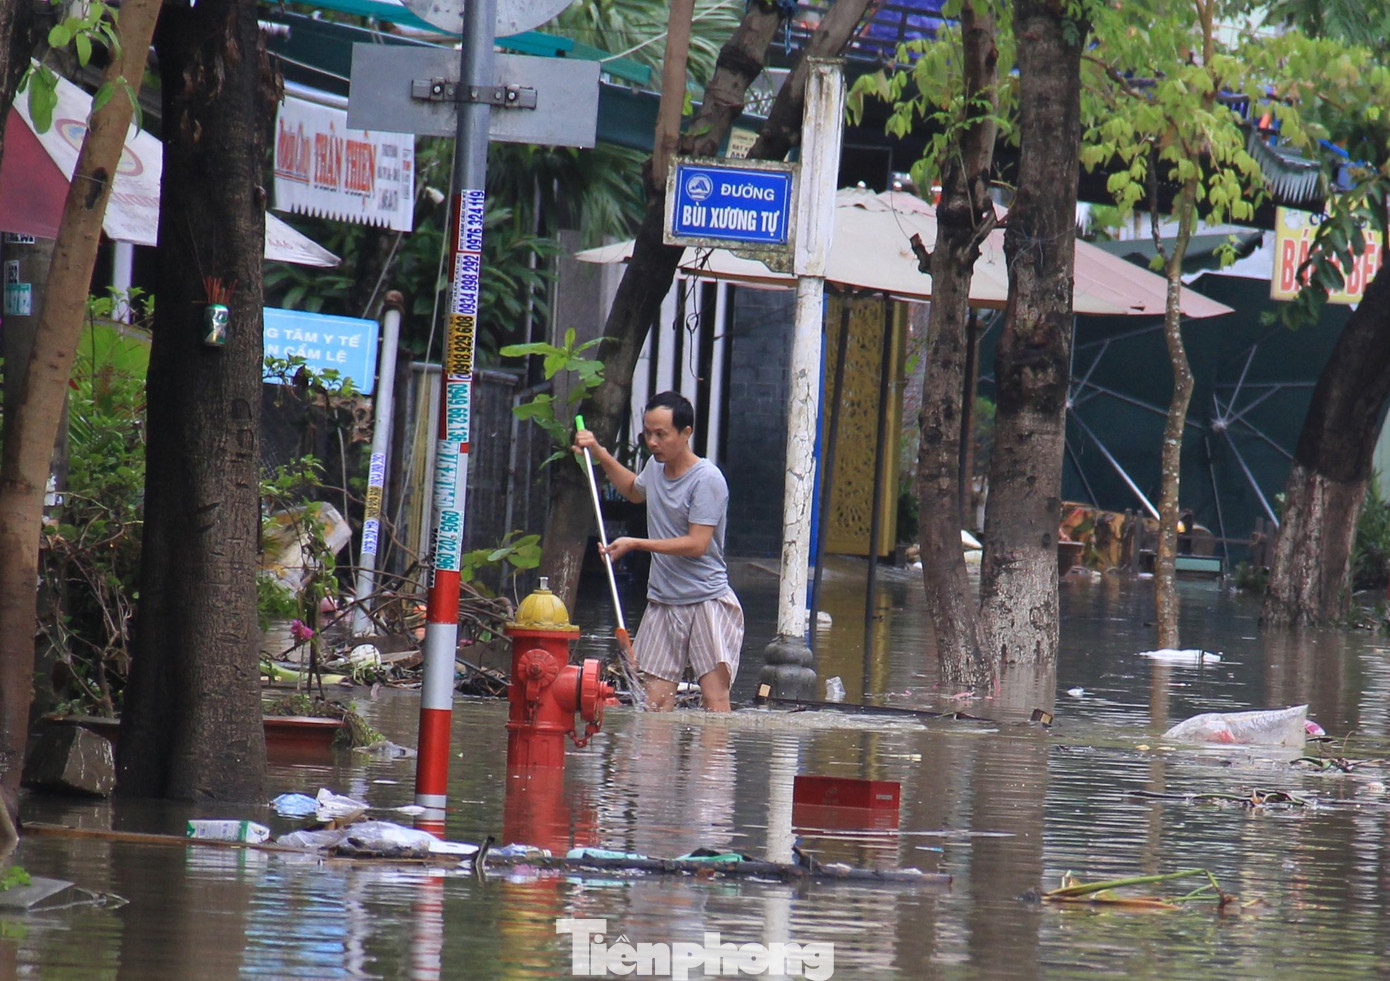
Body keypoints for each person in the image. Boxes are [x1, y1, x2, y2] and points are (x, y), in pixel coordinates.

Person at [573, 392, 744, 711]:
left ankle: (714, 762)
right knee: (655, 704)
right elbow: (634, 491)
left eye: (661, 434)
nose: (652, 442)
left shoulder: (707, 480)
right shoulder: (655, 467)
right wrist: (599, 453)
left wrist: (636, 543)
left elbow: (697, 544)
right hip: (663, 602)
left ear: (686, 433)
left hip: (705, 601)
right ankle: (650, 763)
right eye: (648, 433)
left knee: (715, 700)